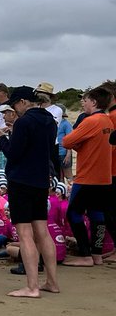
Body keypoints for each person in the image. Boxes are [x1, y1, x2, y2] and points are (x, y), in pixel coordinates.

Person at [0, 85, 60, 296]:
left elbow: (14, 153)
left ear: (23, 102)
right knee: (42, 231)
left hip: (21, 180)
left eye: (14, 105)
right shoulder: (49, 120)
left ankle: (32, 286)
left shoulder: (24, 122)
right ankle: (52, 282)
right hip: (41, 179)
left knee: (25, 233)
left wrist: (0, 138)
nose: (14, 110)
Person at [60, 86, 113, 267]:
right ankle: (96, 254)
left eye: (86, 100)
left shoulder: (91, 121)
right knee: (97, 213)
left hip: (87, 176)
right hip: (104, 177)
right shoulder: (108, 121)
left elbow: (66, 141)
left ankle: (85, 254)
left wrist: (79, 145)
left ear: (94, 102)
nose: (83, 103)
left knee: (74, 213)